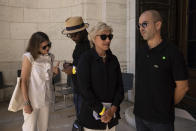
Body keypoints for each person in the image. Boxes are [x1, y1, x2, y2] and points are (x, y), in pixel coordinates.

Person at [134, 10, 189, 131]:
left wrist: (166, 104)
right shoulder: (140, 51)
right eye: (139, 25)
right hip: (140, 116)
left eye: (145, 24)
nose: (141, 28)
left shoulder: (173, 53)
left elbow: (183, 87)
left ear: (158, 25)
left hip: (161, 121)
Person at [77, 22, 124, 131]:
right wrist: (103, 112)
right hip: (91, 119)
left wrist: (112, 110)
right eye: (103, 37)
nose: (108, 40)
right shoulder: (85, 59)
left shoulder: (113, 59)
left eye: (110, 36)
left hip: (111, 117)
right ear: (93, 38)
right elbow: (85, 90)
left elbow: (120, 87)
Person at [21, 32, 59, 131]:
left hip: (46, 98)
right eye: (44, 47)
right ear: (35, 47)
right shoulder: (29, 57)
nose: (47, 48)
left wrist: (54, 72)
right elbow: (23, 81)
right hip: (32, 99)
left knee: (44, 128)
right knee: (29, 128)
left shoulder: (50, 57)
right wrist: (26, 103)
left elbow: (47, 78)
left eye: (49, 45)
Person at [61, 16, 90, 130]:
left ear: (83, 31)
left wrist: (72, 70)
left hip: (85, 90)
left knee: (83, 119)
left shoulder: (89, 45)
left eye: (75, 35)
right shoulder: (80, 43)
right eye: (70, 35)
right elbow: (80, 63)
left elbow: (89, 69)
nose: (72, 38)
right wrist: (71, 65)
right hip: (78, 87)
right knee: (80, 116)